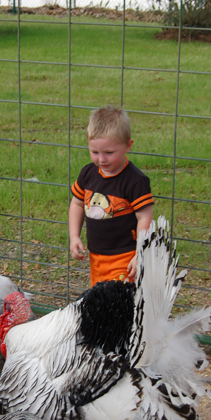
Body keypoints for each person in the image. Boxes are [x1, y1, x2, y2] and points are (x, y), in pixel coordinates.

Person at [69, 104, 154, 287]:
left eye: (109, 153)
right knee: (99, 302)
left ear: (128, 146)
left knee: (117, 304)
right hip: (96, 256)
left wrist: (140, 253)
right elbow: (76, 204)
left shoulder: (135, 181)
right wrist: (74, 236)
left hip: (124, 258)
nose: (101, 159)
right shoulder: (88, 174)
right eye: (95, 152)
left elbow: (144, 216)